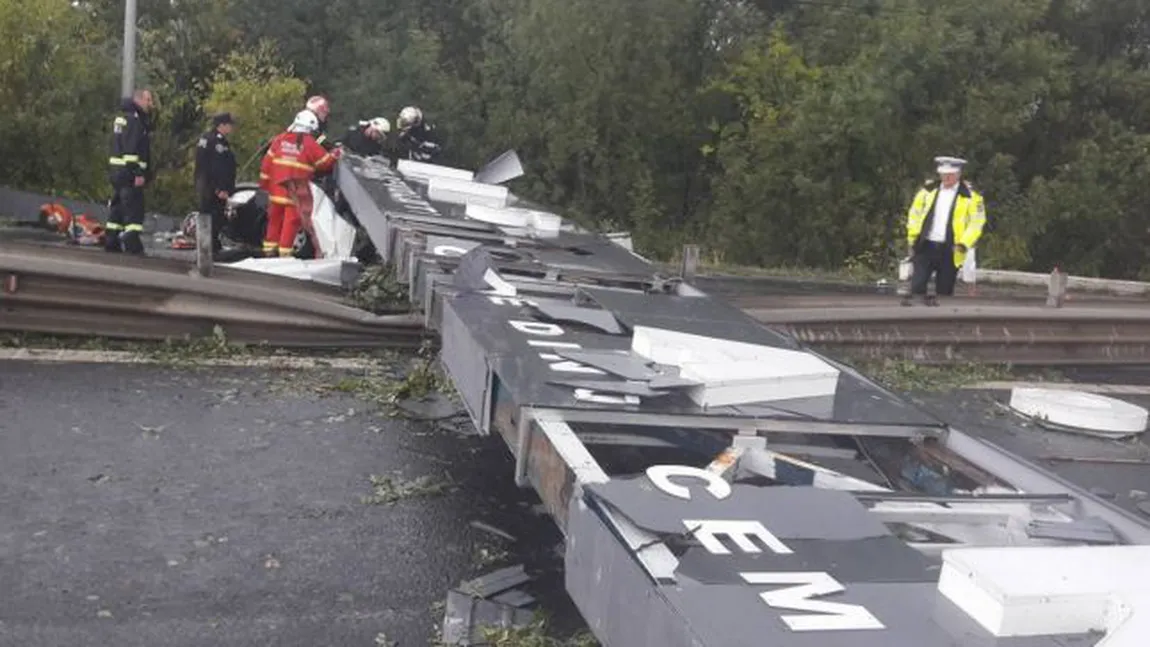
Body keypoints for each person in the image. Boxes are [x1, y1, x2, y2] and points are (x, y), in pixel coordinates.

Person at [902, 156, 987, 306]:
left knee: (944, 292)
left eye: (950, 174)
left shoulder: (971, 196)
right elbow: (914, 213)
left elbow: (976, 223)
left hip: (951, 249)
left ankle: (940, 323)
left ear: (958, 174)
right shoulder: (927, 191)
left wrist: (964, 243)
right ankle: (915, 319)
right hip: (926, 245)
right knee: (917, 286)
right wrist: (912, 238)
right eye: (943, 174)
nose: (946, 177)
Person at [262, 110, 341, 257]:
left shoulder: (280, 139)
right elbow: (324, 163)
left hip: (276, 190)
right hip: (295, 191)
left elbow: (266, 163)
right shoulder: (310, 143)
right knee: (291, 222)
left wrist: (265, 183)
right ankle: (284, 254)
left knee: (274, 220)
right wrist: (335, 154)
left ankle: (269, 251)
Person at [104, 88, 155, 254]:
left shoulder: (121, 118)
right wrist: (138, 173)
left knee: (118, 207)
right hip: (128, 173)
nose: (150, 104)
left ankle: (111, 239)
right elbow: (131, 150)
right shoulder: (134, 120)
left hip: (117, 171)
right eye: (148, 100)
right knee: (134, 209)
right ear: (138, 100)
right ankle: (132, 242)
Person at [193, 112, 237, 254]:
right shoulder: (217, 143)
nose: (231, 128)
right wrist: (221, 188)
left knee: (207, 215)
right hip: (213, 188)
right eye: (229, 125)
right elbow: (218, 168)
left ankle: (208, 245)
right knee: (215, 217)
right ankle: (210, 247)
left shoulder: (205, 138)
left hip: (204, 186)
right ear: (222, 125)